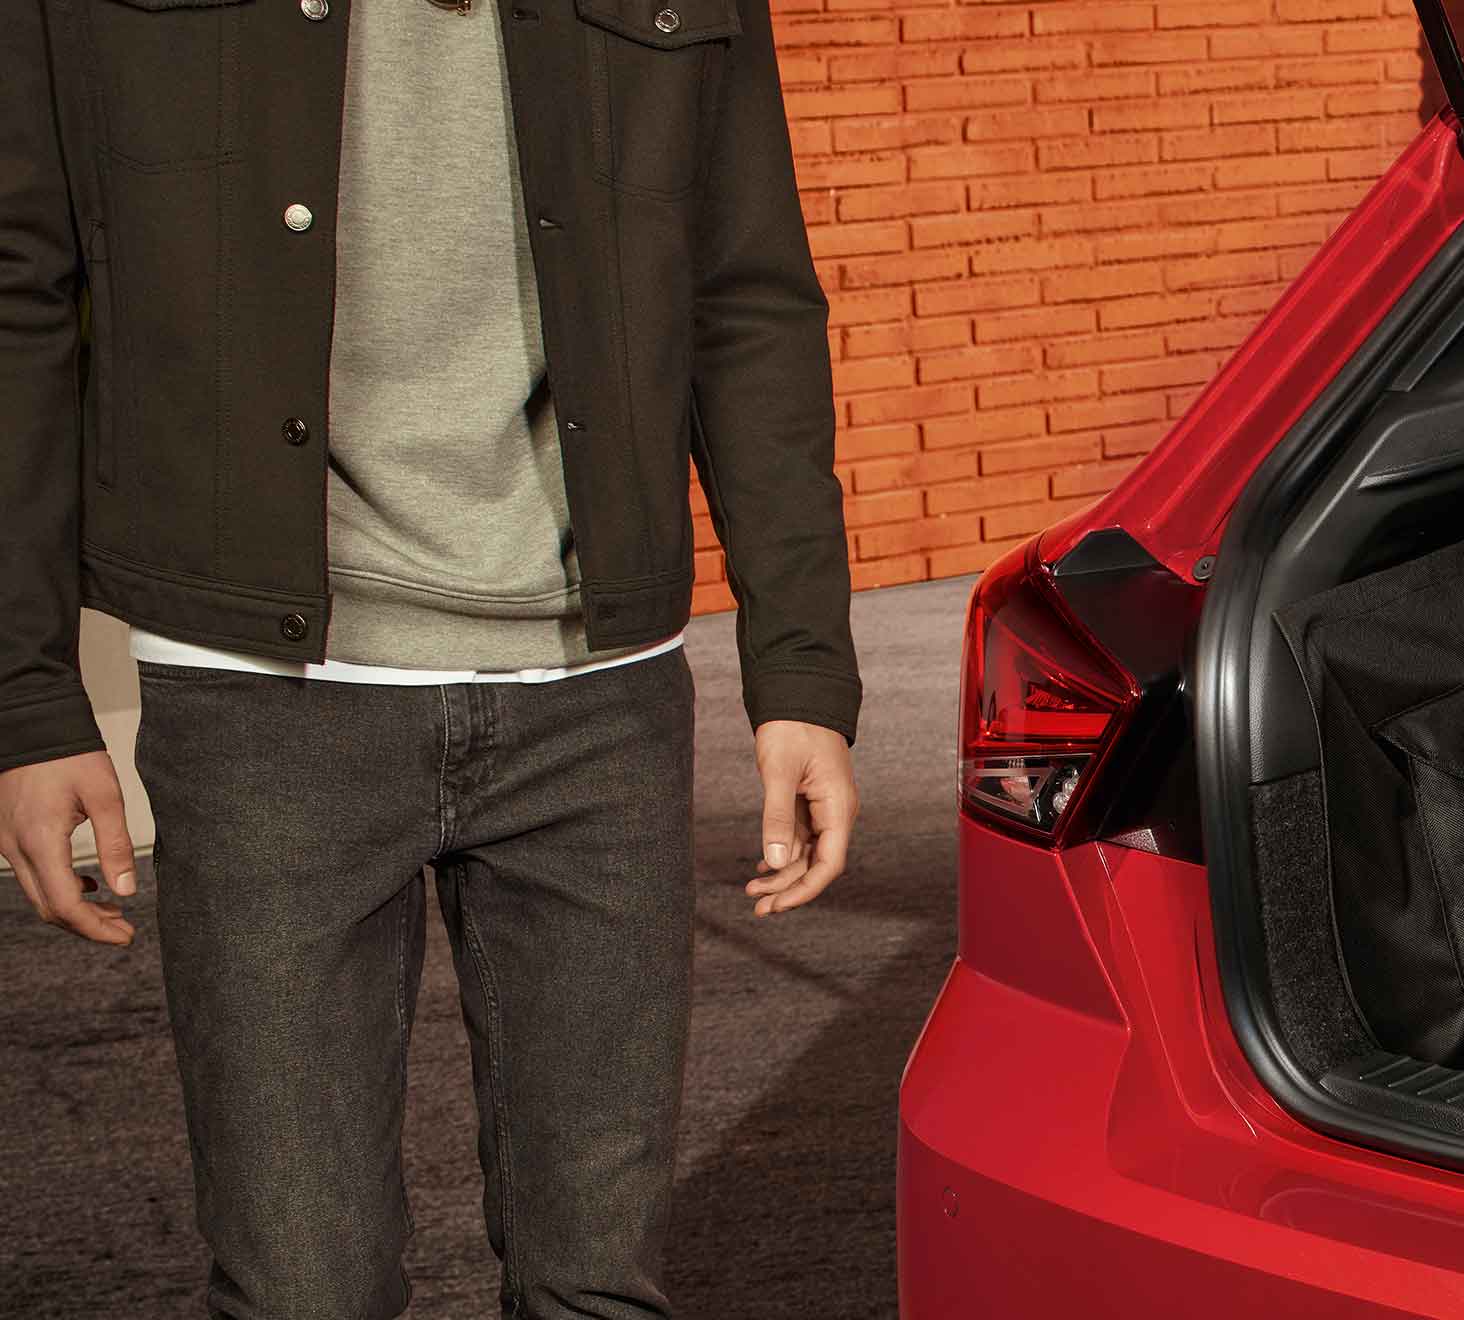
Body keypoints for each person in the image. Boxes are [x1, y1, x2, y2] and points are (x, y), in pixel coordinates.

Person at [0, 0, 859, 1312]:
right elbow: (21, 294)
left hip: (601, 701)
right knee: (305, 1292)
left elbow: (747, 295)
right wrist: (27, 696)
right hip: (259, 707)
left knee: (598, 1288)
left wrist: (801, 670)